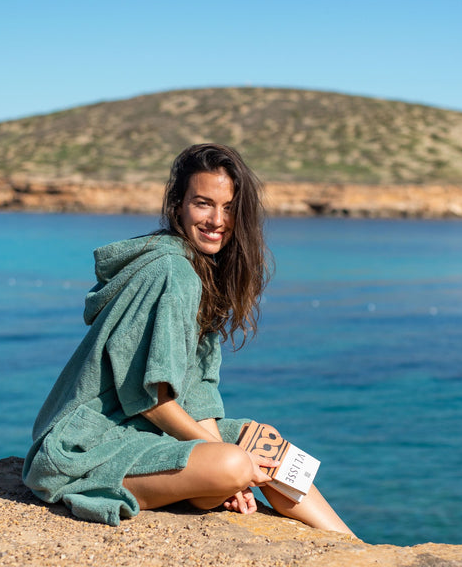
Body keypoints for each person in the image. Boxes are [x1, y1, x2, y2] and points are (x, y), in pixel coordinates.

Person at [23, 143, 353, 535]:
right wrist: (227, 466)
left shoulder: (201, 272)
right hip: (86, 449)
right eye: (203, 204)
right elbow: (150, 401)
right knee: (236, 464)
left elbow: (197, 390)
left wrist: (224, 460)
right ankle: (224, 476)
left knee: (266, 445)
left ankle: (352, 546)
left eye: (229, 207)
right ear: (178, 205)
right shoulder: (170, 271)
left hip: (139, 433)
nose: (217, 219)